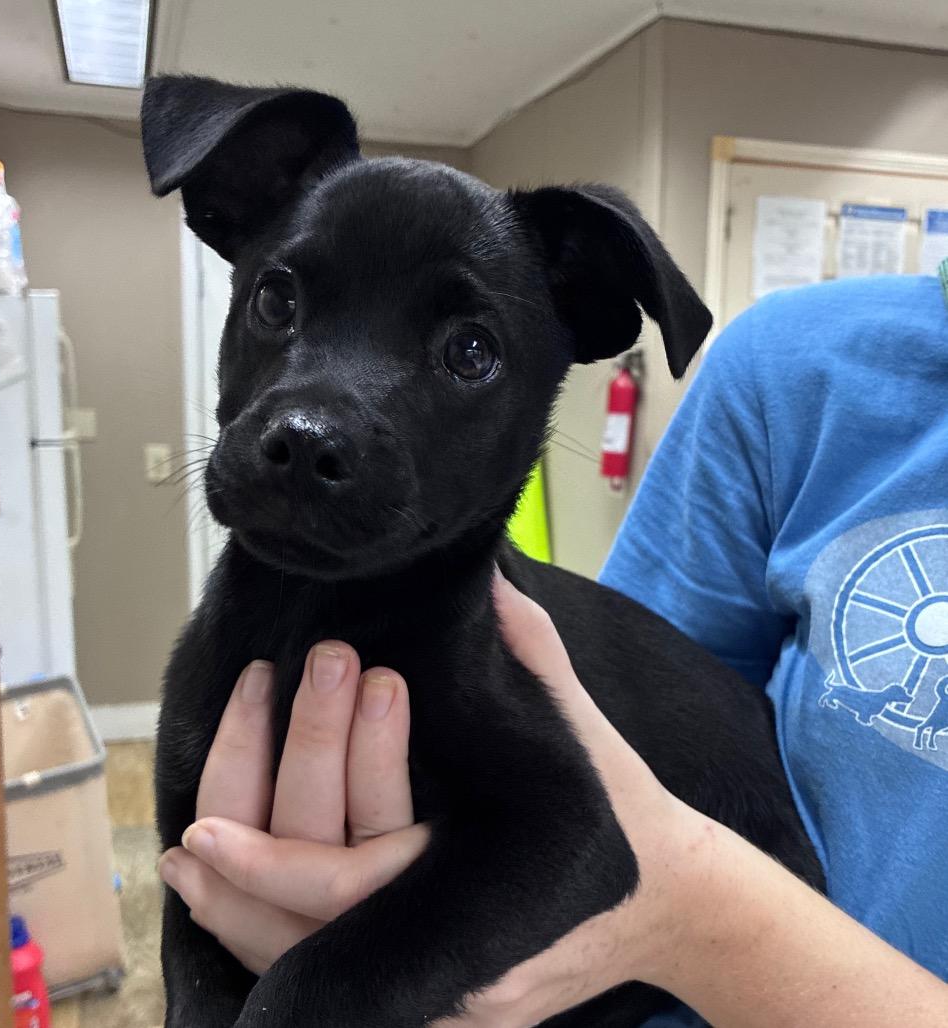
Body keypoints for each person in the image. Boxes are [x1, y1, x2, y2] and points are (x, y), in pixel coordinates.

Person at [158, 274, 948, 1026]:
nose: (311, 425)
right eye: (278, 301)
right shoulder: (793, 366)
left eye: (469, 351)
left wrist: (339, 988)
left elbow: (579, 837)